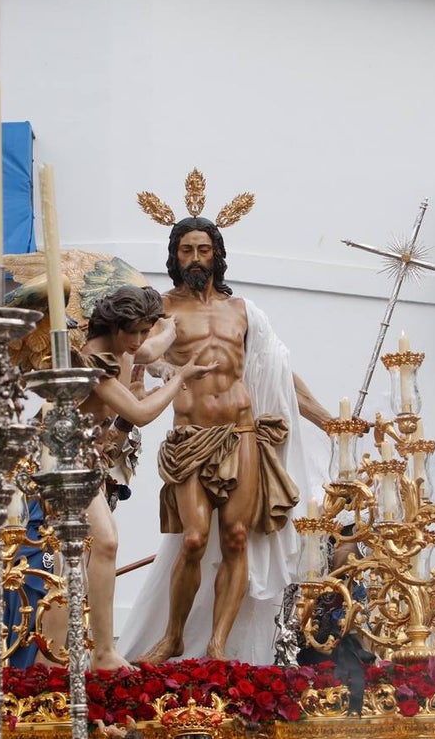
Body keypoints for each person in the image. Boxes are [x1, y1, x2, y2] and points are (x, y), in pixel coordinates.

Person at [123, 176, 332, 663]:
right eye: (186, 250)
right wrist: (150, 358)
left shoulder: (244, 311)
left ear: (217, 255)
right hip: (192, 436)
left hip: (242, 433)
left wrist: (325, 417)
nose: (195, 258)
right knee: (193, 539)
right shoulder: (163, 309)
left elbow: (278, 370)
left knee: (237, 538)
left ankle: (217, 646)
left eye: (203, 249)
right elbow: (148, 351)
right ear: (174, 257)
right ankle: (173, 635)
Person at [74, 285, 217, 670]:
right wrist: (179, 377)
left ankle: (92, 648)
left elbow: (119, 423)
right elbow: (140, 413)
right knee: (104, 543)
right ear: (113, 324)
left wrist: (123, 411)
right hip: (62, 458)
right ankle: (102, 651)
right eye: (132, 331)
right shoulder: (94, 358)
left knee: (88, 555)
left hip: (88, 459)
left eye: (143, 331)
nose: (138, 341)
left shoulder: (121, 354)